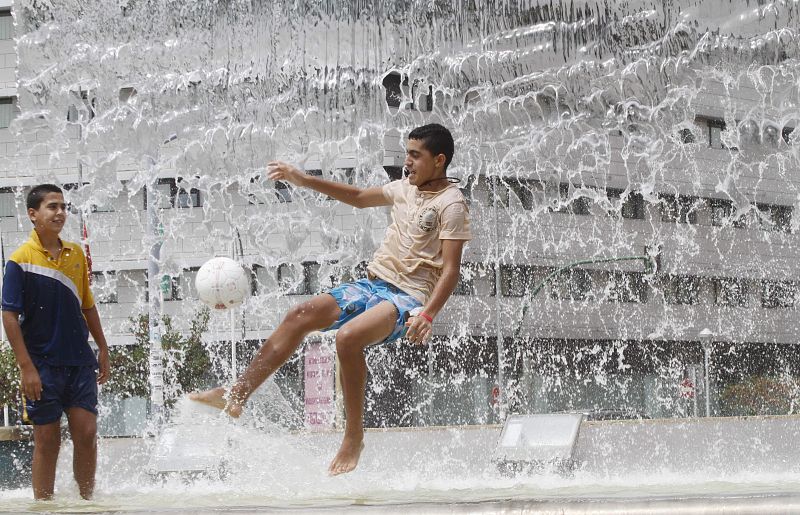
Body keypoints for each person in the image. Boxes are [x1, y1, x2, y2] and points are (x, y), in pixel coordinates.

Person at [191, 123, 472, 475]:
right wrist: (303, 179)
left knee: (348, 338)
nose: (407, 162)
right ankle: (236, 396)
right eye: (407, 154)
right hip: (373, 285)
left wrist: (428, 315)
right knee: (300, 314)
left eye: (416, 156)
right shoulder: (403, 189)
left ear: (439, 160)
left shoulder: (452, 204)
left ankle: (353, 437)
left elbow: (451, 271)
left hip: (408, 299)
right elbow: (356, 198)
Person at [2, 184, 111, 500]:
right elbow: (9, 317)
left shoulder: (75, 253)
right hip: (42, 365)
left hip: (79, 362)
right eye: (52, 207)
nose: (60, 213)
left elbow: (87, 304)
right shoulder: (19, 260)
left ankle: (86, 502)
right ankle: (44, 505)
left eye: (64, 207)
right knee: (48, 440)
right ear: (33, 214)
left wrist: (102, 348)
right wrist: (27, 368)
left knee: (87, 434)